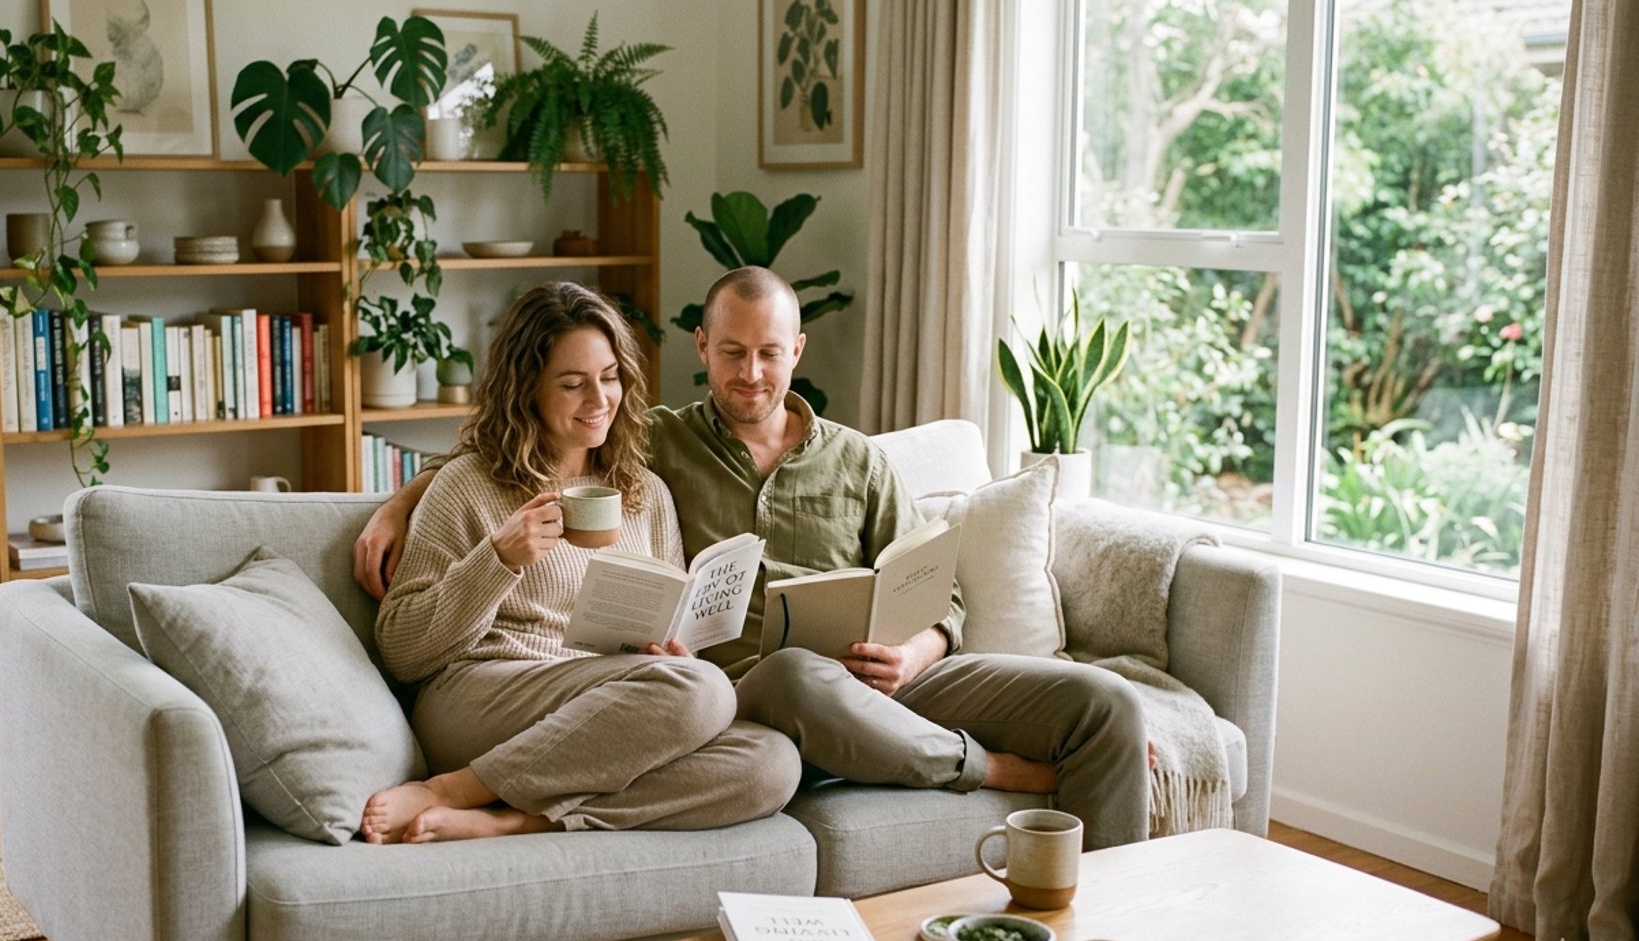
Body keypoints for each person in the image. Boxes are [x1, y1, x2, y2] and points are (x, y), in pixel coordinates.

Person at [359, 268, 1151, 850]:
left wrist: (917, 648)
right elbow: (511, 459)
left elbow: (937, 590)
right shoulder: (659, 443)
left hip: (881, 683)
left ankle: (1114, 930)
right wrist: (407, 503)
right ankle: (987, 768)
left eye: (769, 353)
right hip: (746, 688)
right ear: (702, 348)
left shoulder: (826, 462)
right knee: (772, 679)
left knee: (1104, 706)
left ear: (796, 350)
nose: (750, 373)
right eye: (732, 352)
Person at [363, 281, 799, 845]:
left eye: (609, 378)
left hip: (601, 709)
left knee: (771, 763)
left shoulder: (645, 491)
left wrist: (673, 655)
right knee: (704, 690)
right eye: (572, 384)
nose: (598, 401)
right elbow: (402, 652)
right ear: (527, 388)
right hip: (483, 695)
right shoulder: (467, 484)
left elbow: (669, 647)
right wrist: (498, 559)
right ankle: (454, 789)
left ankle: (523, 818)